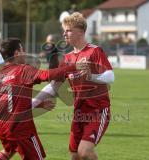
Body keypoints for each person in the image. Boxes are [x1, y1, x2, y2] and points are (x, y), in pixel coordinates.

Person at [32, 12, 115, 160]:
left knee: (85, 152)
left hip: (98, 110)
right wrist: (33, 102)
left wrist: (92, 76)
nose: (64, 34)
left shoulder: (94, 51)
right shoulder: (67, 59)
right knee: (75, 156)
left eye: (68, 30)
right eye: (64, 30)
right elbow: (53, 87)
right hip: (79, 113)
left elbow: (110, 76)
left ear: (81, 31)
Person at [0, 38, 88, 160]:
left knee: (8, 151)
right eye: (22, 50)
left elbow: (9, 101)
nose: (24, 52)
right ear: (16, 53)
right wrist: (74, 67)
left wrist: (35, 104)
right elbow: (47, 75)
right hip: (19, 126)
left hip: (1, 124)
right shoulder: (23, 70)